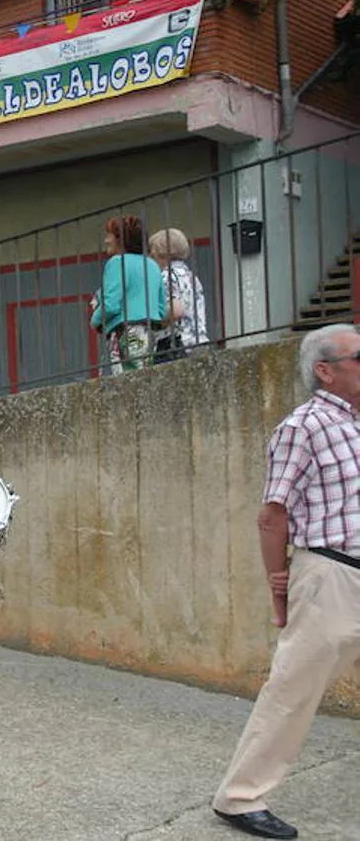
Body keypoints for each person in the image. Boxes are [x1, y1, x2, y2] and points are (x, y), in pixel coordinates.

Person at [210, 324, 360, 840]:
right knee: (292, 691)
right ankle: (240, 798)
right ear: (326, 370)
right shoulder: (303, 427)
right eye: (359, 356)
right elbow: (272, 515)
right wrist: (280, 589)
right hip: (329, 573)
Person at [89, 215, 167, 374]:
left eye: (109, 235)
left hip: (125, 331)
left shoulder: (117, 262)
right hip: (150, 333)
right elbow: (162, 309)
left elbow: (110, 305)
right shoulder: (152, 265)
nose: (106, 240)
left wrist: (95, 321)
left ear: (120, 239)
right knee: (144, 378)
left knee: (126, 381)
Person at [147, 227, 210, 362]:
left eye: (153, 255)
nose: (151, 259)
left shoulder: (166, 276)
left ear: (163, 253)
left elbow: (176, 310)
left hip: (176, 345)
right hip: (199, 341)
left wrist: (154, 321)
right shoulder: (192, 277)